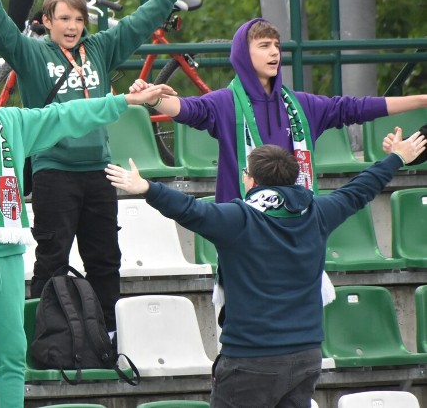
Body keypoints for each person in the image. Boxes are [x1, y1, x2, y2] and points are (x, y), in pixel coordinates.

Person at [0, 42, 175, 408]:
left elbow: (67, 114)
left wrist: (125, 102)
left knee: (13, 352)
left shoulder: (11, 121)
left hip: (7, 253)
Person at [105, 129, 427, 408]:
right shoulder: (317, 213)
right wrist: (395, 157)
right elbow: (359, 190)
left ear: (252, 180)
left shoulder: (239, 219)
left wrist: (147, 188)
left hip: (250, 359)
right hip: (305, 356)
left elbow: (189, 210)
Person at [0, 0, 208, 333]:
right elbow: (1, 31)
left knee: (104, 260)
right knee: (51, 260)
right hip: (54, 172)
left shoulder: (99, 49)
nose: (72, 26)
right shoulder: (32, 54)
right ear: (46, 21)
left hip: (100, 171)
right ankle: (46, 337)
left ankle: (106, 338)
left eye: (78, 19)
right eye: (63, 19)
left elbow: (139, 22)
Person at [147, 18, 427, 203]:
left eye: (277, 46)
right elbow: (187, 109)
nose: (274, 53)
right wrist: (154, 99)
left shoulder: (302, 104)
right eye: (264, 46)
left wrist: (421, 100)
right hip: (245, 224)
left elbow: (357, 108)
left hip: (297, 219)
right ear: (244, 54)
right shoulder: (225, 102)